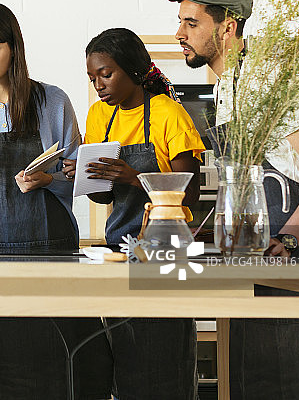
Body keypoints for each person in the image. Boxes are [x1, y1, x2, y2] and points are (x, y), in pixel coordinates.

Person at [169, 0, 299, 398]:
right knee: (260, 381)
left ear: (227, 26)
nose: (179, 33)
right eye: (180, 22)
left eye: (191, 24)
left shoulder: (266, 79)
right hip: (260, 251)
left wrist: (289, 238)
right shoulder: (227, 86)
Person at [0, 2, 113, 400]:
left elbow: (79, 182)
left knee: (61, 360)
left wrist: (48, 178)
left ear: (13, 48)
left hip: (52, 247)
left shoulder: (52, 102)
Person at [62, 27, 204, 399]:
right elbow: (100, 200)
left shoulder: (168, 114)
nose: (98, 85)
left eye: (106, 74)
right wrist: (88, 177)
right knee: (123, 354)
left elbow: (189, 193)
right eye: (92, 77)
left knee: (160, 358)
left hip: (167, 253)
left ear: (133, 69)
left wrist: (133, 176)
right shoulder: (98, 116)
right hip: (119, 245)